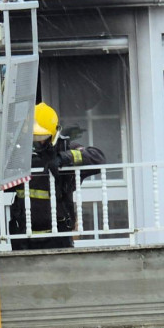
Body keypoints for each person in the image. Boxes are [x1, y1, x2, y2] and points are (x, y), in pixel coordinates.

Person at [9, 102, 106, 250]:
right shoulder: (19, 153)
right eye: (33, 137)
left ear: (53, 134)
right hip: (24, 235)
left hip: (58, 234)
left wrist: (65, 158)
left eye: (42, 136)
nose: (37, 142)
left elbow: (98, 158)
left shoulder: (65, 148)